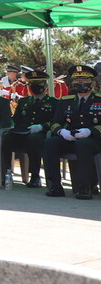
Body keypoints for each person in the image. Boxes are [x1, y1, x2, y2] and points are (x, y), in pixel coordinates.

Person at [43, 64, 101, 200]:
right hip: (71, 137)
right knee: (50, 144)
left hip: (94, 140)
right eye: (76, 81)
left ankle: (85, 187)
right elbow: (54, 122)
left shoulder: (99, 99)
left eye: (84, 81)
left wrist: (90, 131)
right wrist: (62, 131)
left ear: (92, 83)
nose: (80, 84)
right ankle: (55, 186)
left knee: (83, 145)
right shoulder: (66, 101)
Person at [0, 67, 58, 188]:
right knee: (6, 138)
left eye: (38, 83)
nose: (35, 86)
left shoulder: (54, 102)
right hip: (23, 132)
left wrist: (42, 126)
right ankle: (6, 172)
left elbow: (56, 122)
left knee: (33, 140)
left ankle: (35, 176)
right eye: (32, 83)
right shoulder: (24, 102)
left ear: (45, 85)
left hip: (41, 134)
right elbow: (15, 120)